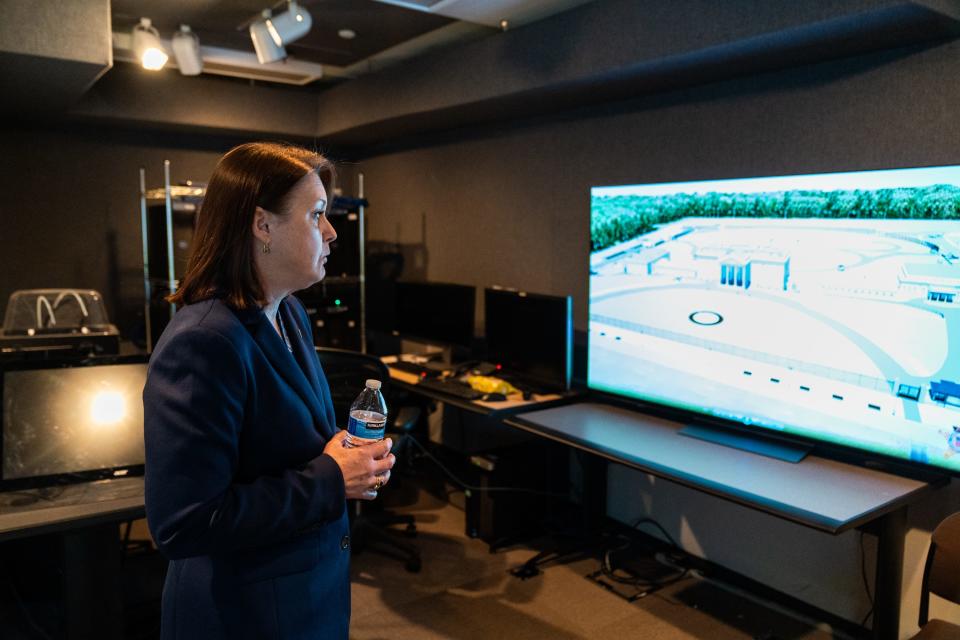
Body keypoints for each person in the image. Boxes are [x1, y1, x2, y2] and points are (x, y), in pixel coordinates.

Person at [142, 141, 394, 640]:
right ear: (262, 226)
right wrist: (329, 478)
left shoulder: (288, 311)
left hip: (304, 594)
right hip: (243, 614)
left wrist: (350, 459)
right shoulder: (204, 341)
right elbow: (183, 523)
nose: (331, 230)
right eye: (317, 214)